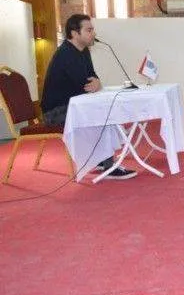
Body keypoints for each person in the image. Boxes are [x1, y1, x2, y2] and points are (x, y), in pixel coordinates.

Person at [41, 14, 137, 180]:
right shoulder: (65, 54)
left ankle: (102, 159)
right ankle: (109, 166)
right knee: (102, 115)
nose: (94, 33)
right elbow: (85, 84)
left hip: (74, 105)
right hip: (55, 112)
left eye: (92, 29)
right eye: (89, 30)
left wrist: (97, 82)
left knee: (102, 112)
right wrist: (95, 83)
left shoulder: (83, 50)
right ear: (74, 33)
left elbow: (93, 78)